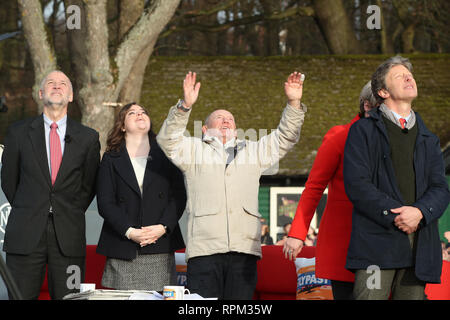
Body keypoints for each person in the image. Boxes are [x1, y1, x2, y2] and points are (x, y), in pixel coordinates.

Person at [157, 71, 307, 299]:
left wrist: (293, 102)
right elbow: (167, 139)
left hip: (243, 249)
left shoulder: (254, 151)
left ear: (236, 130)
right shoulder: (193, 150)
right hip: (204, 249)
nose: (226, 120)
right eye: (219, 117)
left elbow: (285, 137)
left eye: (230, 118)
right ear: (205, 130)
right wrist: (185, 106)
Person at [343, 56, 450, 300]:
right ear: (382, 91)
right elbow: (358, 185)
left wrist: (420, 213)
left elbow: (440, 189)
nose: (408, 77)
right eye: (399, 76)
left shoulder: (429, 138)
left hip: (419, 248)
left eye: (409, 74)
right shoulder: (362, 131)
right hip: (375, 245)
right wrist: (397, 215)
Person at [1, 70, 100, 299]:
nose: (57, 86)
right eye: (51, 83)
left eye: (63, 83)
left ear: (72, 96)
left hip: (69, 237)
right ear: (40, 93)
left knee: (70, 297)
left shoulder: (88, 137)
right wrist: (32, 207)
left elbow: (88, 186)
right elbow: (9, 181)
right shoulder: (18, 133)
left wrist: (67, 210)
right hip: (25, 235)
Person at [283, 81, 378, 300]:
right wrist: (297, 232)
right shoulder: (340, 136)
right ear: (367, 106)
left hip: (383, 241)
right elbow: (315, 185)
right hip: (345, 240)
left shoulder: (398, 140)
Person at [95, 102, 186, 291]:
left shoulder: (167, 154)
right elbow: (105, 202)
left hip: (159, 244)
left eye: (143, 112)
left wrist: (163, 228)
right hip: (123, 245)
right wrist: (129, 232)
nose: (139, 114)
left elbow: (179, 196)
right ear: (122, 126)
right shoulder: (111, 158)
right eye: (132, 113)